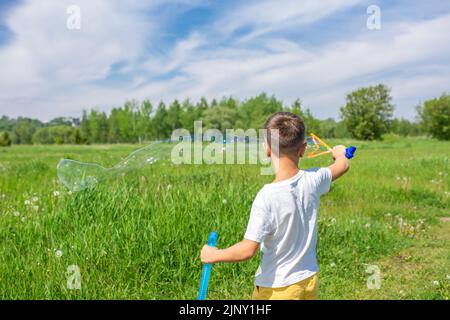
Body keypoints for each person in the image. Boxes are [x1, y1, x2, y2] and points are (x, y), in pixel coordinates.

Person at [200, 112, 350, 300]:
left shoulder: (267, 196)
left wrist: (213, 255)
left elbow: (248, 250)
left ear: (267, 149)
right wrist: (340, 153)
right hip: (308, 281)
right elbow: (342, 166)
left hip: (277, 289)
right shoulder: (314, 179)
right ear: (303, 149)